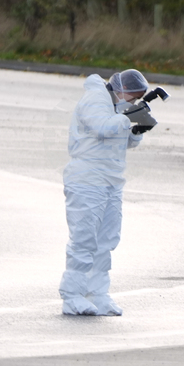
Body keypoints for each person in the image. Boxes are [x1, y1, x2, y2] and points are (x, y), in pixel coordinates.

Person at [59, 69, 151, 316]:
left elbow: (120, 139)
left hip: (111, 181)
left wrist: (136, 131)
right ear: (122, 91)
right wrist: (127, 116)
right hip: (87, 180)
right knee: (84, 239)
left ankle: (97, 294)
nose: (132, 103)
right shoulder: (96, 99)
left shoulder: (115, 105)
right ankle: (72, 296)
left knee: (106, 241)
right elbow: (102, 127)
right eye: (132, 99)